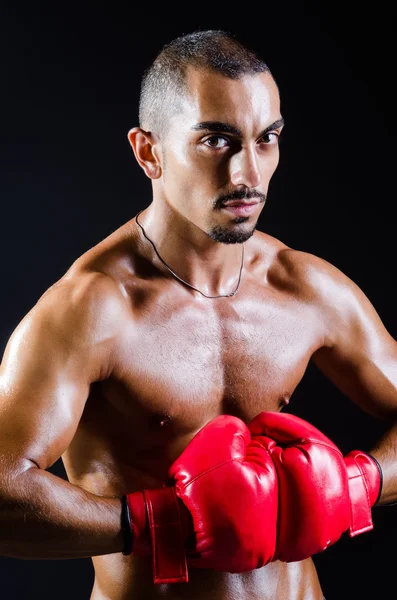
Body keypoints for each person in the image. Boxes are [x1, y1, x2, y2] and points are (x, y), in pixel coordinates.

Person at [0, 28, 396, 600]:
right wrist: (155, 525)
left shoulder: (305, 287)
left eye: (267, 139)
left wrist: (360, 484)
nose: (248, 175)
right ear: (148, 152)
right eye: (217, 140)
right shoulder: (92, 310)